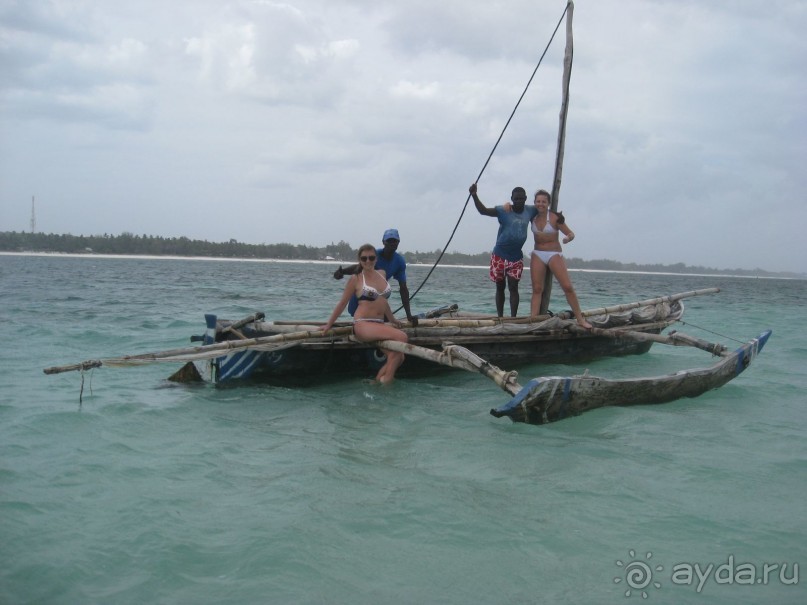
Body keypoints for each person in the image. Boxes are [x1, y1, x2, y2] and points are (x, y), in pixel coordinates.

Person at [322, 243, 409, 384]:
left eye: (371, 257)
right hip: (363, 324)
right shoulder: (356, 279)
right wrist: (328, 325)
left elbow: (383, 300)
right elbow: (342, 303)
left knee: (398, 356)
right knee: (402, 337)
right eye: (364, 259)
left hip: (379, 324)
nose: (368, 261)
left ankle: (378, 381)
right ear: (360, 260)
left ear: (376, 259)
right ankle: (387, 382)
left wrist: (392, 319)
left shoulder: (382, 274)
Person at [469, 182, 537, 317]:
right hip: (499, 255)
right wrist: (474, 195)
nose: (519, 201)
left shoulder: (530, 210)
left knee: (513, 287)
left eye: (521, 198)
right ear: (511, 199)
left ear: (525, 198)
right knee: (500, 287)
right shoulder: (504, 210)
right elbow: (484, 211)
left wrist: (558, 217)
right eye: (516, 198)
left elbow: (544, 208)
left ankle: (513, 318)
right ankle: (500, 317)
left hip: (516, 258)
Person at [528, 189, 592, 328]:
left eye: (543, 202)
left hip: (554, 254)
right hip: (538, 253)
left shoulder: (555, 218)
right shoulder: (532, 216)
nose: (540, 204)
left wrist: (568, 238)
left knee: (567, 287)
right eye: (538, 201)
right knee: (537, 289)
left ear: (548, 203)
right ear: (534, 203)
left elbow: (570, 233)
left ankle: (580, 319)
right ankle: (533, 321)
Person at [333, 228, 417, 325]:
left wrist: (409, 315)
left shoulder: (399, 262)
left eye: (395, 241)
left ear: (398, 243)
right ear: (383, 242)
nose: (392, 244)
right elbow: (358, 267)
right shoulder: (374, 255)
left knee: (385, 320)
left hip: (379, 299)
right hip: (363, 295)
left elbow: (403, 289)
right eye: (389, 241)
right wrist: (342, 272)